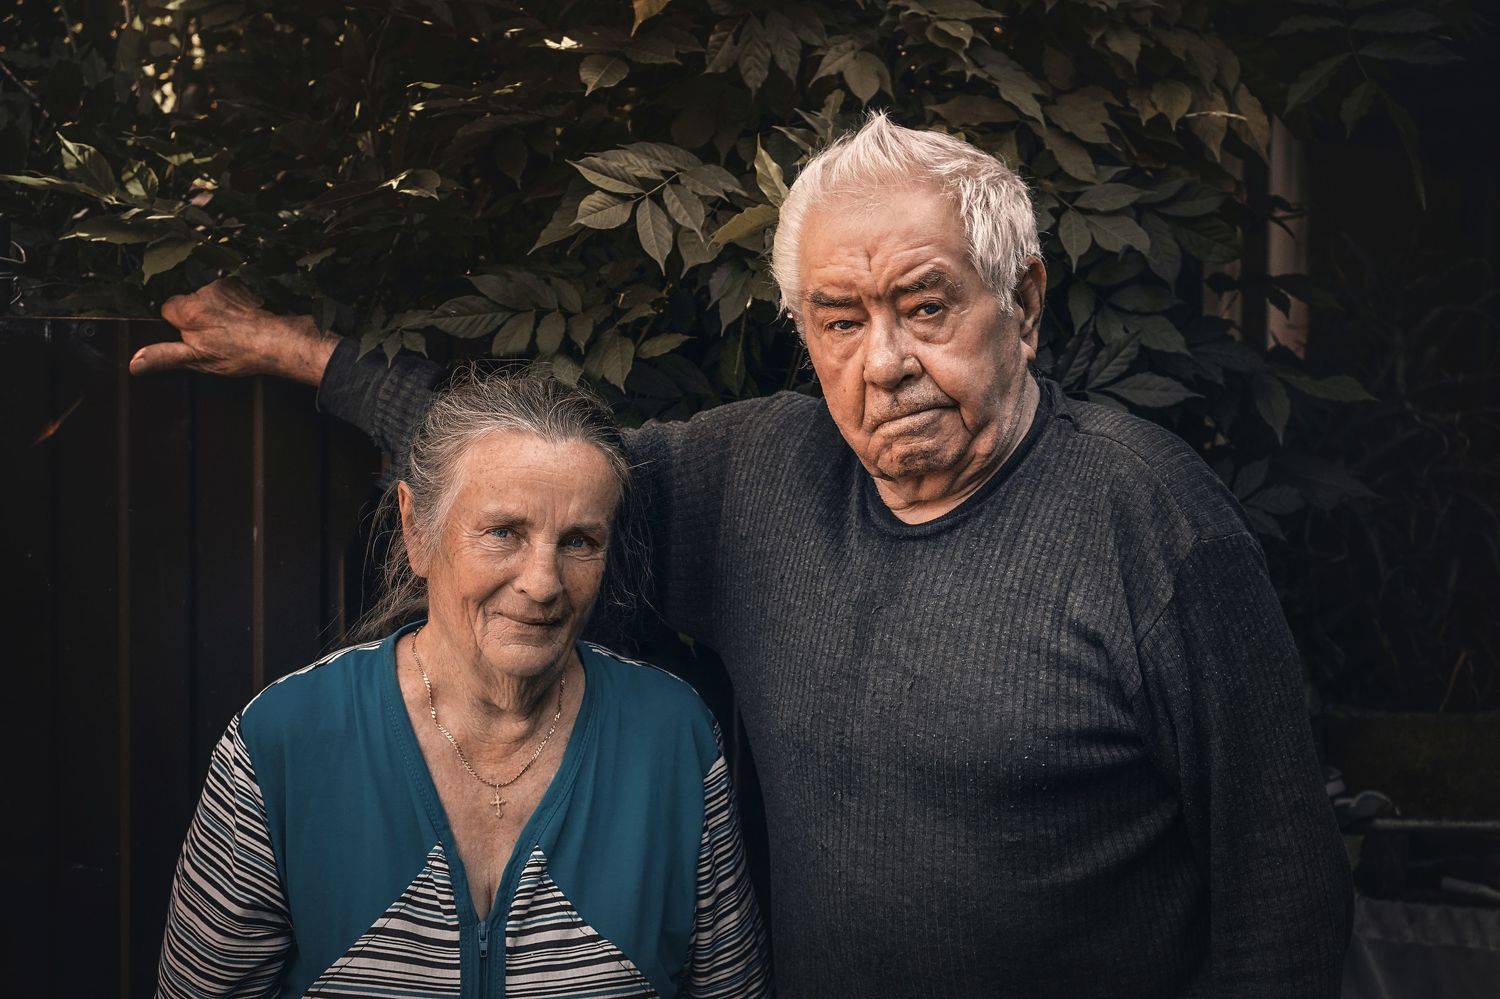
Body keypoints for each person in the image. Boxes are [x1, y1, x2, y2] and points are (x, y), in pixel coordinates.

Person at [143, 113, 1354, 997]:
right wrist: (312, 360)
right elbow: (532, 483)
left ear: (1024, 304)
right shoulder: (761, 475)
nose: (884, 361)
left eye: (927, 306)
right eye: (841, 319)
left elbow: (1285, 893)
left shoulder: (1151, 522)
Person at [157, 369, 770, 997]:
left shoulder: (673, 738)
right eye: (504, 532)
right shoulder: (282, 742)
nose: (543, 583)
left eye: (579, 541)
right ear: (417, 532)